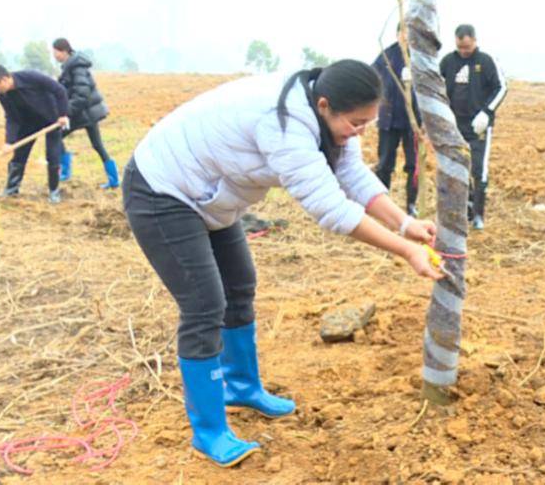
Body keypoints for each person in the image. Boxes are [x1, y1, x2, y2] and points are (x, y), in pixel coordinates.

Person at [123, 61, 443, 467]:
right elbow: (330, 208)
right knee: (205, 304)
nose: (360, 131)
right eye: (357, 123)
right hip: (163, 190)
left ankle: (240, 386)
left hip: (211, 198)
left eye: (368, 124)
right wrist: (405, 250)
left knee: (240, 285)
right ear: (325, 105)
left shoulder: (331, 115)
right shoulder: (284, 124)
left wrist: (405, 222)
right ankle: (209, 432)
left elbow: (352, 175)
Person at [439, 24, 507, 230]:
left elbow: (502, 87)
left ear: (475, 41)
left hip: (478, 125)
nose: (464, 51)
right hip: (454, 124)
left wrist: (487, 112)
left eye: (467, 47)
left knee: (478, 169)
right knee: (456, 167)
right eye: (460, 47)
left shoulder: (486, 61)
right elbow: (438, 89)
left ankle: (479, 214)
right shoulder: (448, 62)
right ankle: (463, 210)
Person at [0, 64, 69, 203]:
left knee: (52, 156)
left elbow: (59, 90)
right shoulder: (2, 95)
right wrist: (9, 141)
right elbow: (11, 117)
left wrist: (63, 114)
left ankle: (54, 192)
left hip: (52, 120)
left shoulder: (31, 77)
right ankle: (11, 189)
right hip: (28, 123)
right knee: (19, 156)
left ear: (4, 79)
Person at [52, 38, 118, 188]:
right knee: (97, 145)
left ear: (63, 51)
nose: (54, 55)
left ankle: (65, 171)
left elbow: (82, 94)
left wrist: (66, 112)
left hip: (84, 112)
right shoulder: (70, 66)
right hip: (86, 112)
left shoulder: (77, 67)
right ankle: (114, 179)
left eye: (55, 52)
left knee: (56, 134)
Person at [373, 25, 422, 215]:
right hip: (388, 120)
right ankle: (381, 203)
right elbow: (373, 76)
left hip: (412, 123)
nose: (406, 37)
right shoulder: (387, 55)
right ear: (397, 34)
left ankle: (411, 205)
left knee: (413, 165)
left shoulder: (419, 58)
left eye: (410, 34)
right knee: (384, 163)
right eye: (403, 33)